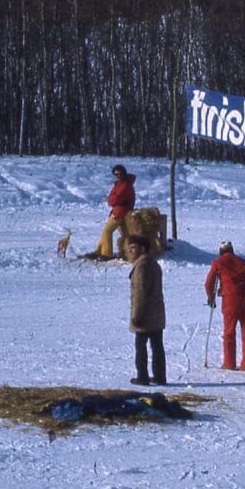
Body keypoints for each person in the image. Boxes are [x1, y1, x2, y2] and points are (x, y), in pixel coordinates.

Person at [204, 241, 245, 372]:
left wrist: (211, 298)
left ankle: (229, 363)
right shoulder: (243, 262)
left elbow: (208, 284)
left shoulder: (218, 263)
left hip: (230, 301)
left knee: (229, 332)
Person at [127, 234, 166, 386]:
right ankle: (159, 376)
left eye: (133, 248)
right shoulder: (154, 264)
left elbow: (140, 293)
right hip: (156, 314)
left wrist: (136, 315)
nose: (130, 251)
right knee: (157, 346)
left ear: (142, 248)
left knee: (141, 347)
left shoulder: (142, 267)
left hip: (145, 315)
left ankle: (142, 376)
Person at [95, 164, 136, 259]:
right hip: (118, 211)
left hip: (121, 212)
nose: (118, 176)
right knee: (125, 234)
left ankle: (106, 254)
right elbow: (112, 197)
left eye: (120, 174)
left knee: (107, 231)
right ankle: (126, 252)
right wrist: (112, 199)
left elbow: (115, 199)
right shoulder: (120, 184)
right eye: (116, 174)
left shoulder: (125, 185)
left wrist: (111, 199)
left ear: (124, 173)